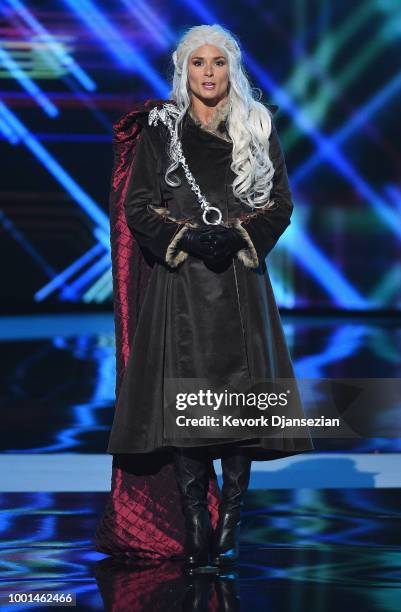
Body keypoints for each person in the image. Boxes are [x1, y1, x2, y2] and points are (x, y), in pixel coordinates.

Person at [106, 24, 314, 567]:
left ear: (231, 69)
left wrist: (241, 236)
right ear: (183, 69)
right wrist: (186, 237)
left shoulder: (257, 126)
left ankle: (231, 521)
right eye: (197, 62)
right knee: (187, 402)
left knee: (239, 407)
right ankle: (197, 517)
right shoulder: (162, 129)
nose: (207, 72)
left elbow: (282, 205)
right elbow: (138, 206)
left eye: (217, 62)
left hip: (241, 285)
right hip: (180, 289)